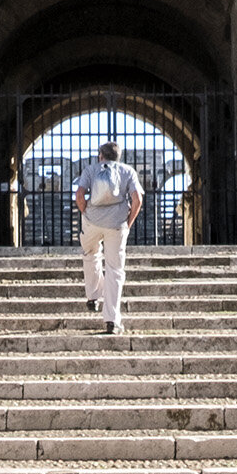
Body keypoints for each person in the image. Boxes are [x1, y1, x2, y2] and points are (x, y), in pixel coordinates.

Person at [73, 140, 143, 335]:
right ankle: (112, 320)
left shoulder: (91, 169)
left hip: (92, 222)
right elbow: (137, 199)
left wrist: (86, 212)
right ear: (118, 157)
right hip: (117, 224)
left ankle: (93, 295)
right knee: (115, 270)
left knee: (90, 253)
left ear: (100, 155)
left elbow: (79, 195)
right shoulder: (127, 171)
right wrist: (127, 223)